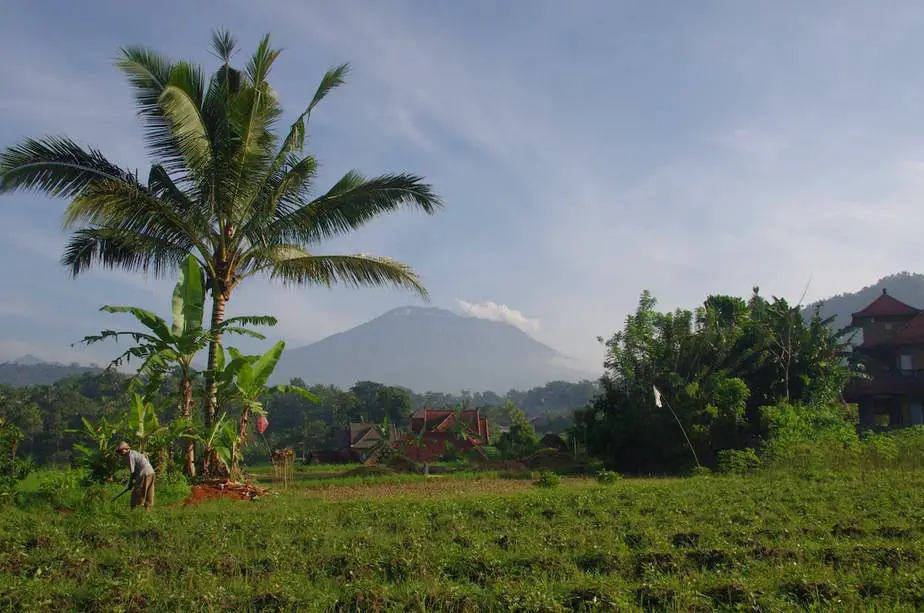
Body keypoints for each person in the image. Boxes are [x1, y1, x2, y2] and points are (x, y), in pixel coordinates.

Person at [116, 442, 155, 511]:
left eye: (121, 451)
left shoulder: (129, 456)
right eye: (119, 451)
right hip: (151, 472)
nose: (120, 453)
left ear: (126, 449)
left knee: (137, 492)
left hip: (144, 473)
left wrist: (130, 484)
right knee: (148, 491)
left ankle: (134, 510)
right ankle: (147, 510)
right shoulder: (134, 452)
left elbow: (132, 472)